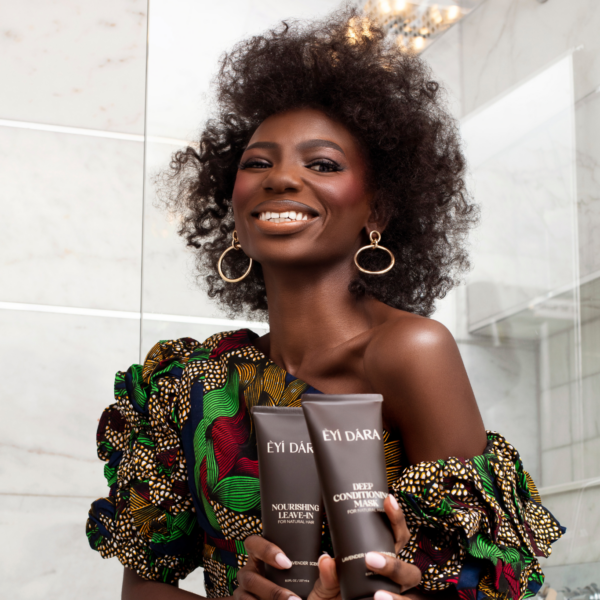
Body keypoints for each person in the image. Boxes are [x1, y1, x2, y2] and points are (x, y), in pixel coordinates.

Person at [86, 10, 564, 600]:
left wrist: (409, 590)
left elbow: (489, 582)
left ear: (377, 210)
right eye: (257, 162)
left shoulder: (409, 352)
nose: (281, 178)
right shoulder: (193, 384)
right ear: (232, 205)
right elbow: (141, 590)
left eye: (322, 164)